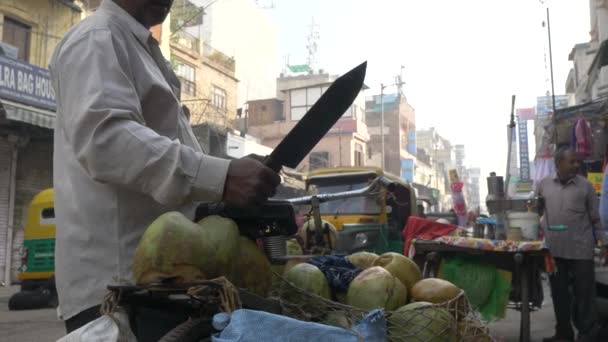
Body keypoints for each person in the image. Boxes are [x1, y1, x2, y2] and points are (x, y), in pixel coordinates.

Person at [49, 0, 281, 339]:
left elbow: (171, 172)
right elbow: (107, 141)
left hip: (163, 286)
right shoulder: (97, 38)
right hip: (121, 296)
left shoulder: (142, 51)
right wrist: (223, 177)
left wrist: (228, 179)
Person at [534, 146, 600, 342]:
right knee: (559, 294)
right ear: (558, 164)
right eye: (571, 161)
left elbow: (595, 218)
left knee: (585, 295)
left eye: (576, 161)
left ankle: (588, 335)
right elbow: (537, 210)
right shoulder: (544, 185)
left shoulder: (585, 186)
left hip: (581, 249)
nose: (576, 165)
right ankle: (564, 334)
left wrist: (604, 242)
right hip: (555, 251)